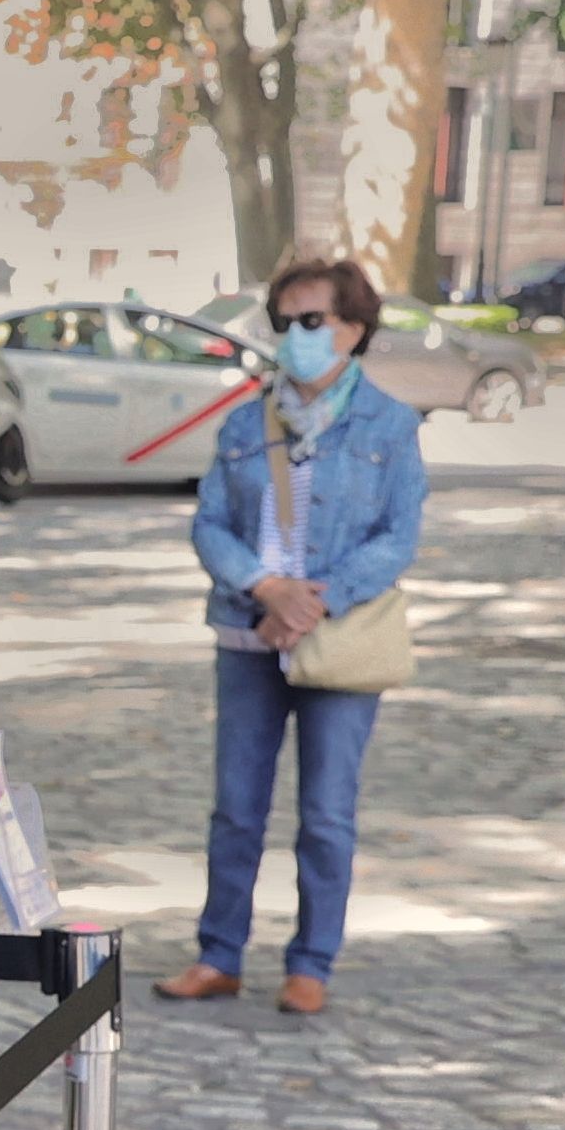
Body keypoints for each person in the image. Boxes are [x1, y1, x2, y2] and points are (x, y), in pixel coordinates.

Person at [159, 257, 428, 1018]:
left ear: (353, 327)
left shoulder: (389, 423)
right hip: (247, 636)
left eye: (312, 321)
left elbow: (395, 535)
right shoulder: (246, 423)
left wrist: (316, 601)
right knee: (235, 806)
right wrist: (263, 588)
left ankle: (311, 962)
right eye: (284, 323)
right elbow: (208, 522)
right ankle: (219, 954)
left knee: (326, 812)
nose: (296, 337)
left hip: (338, 643)